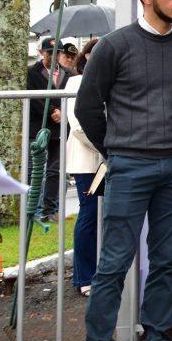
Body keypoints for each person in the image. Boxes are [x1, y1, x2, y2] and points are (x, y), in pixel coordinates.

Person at [75, 0, 172, 341]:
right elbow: (87, 107)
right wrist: (117, 152)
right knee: (113, 265)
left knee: (165, 262)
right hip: (130, 167)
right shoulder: (114, 45)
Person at [66, 39, 102, 296]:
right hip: (88, 161)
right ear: (88, 56)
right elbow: (78, 125)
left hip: (107, 159)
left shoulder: (108, 80)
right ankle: (84, 277)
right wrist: (107, 147)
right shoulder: (75, 83)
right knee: (89, 215)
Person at [26, 36, 73, 221]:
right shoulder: (31, 72)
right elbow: (32, 97)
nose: (53, 56)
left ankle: (50, 209)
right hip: (38, 128)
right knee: (34, 170)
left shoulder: (68, 74)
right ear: (41, 52)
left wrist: (63, 112)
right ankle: (33, 210)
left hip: (60, 129)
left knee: (56, 170)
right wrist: (53, 111)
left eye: (57, 52)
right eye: (49, 52)